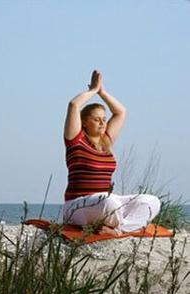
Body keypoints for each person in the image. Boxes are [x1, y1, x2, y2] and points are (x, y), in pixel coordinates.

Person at [62, 69, 161, 234]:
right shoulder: (75, 141)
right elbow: (73, 105)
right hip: (76, 205)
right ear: (84, 123)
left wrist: (102, 92)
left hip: (103, 203)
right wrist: (92, 91)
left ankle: (119, 228)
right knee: (110, 203)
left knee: (151, 201)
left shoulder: (106, 141)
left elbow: (121, 111)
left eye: (104, 119)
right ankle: (125, 227)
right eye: (96, 119)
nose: (102, 123)